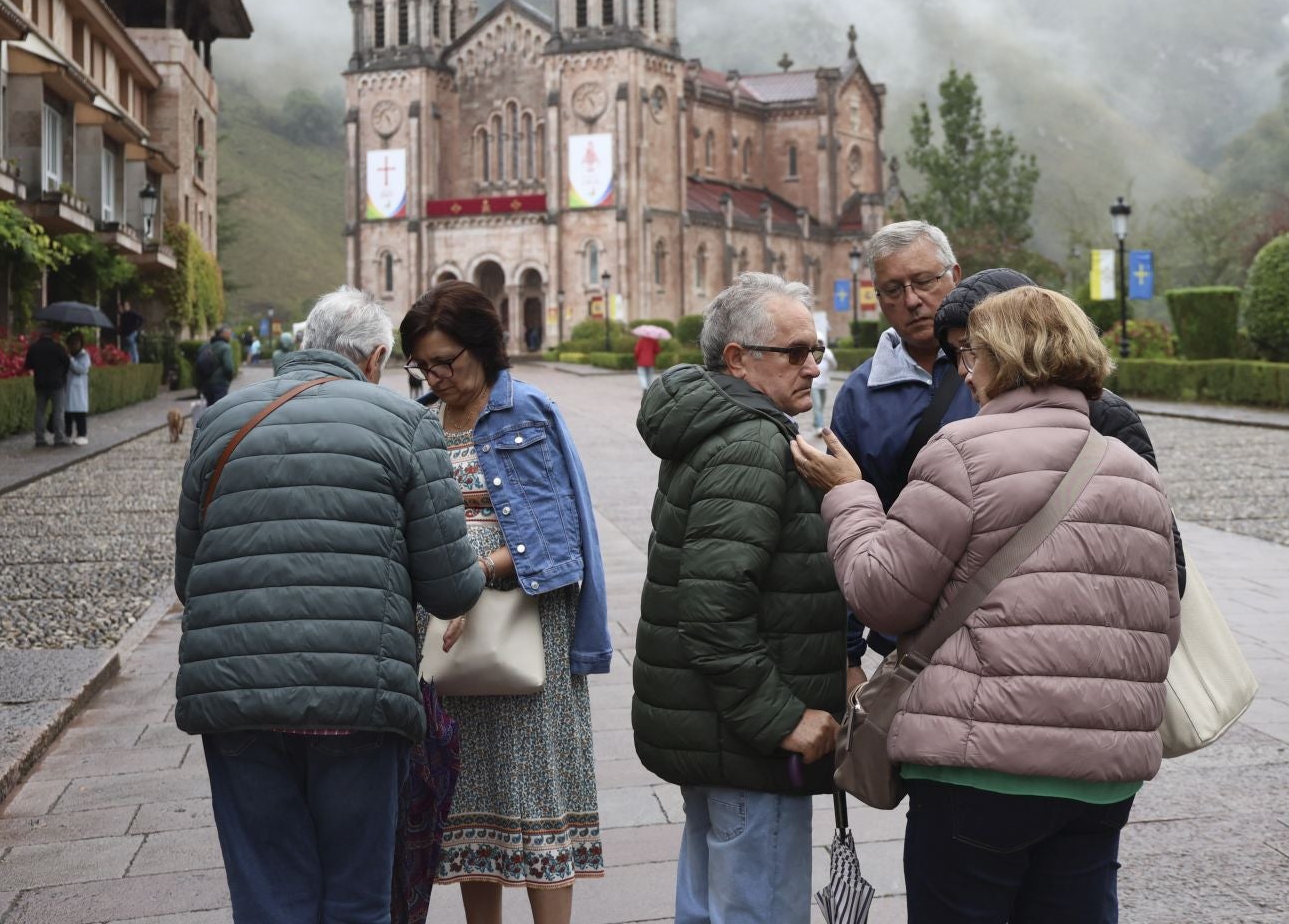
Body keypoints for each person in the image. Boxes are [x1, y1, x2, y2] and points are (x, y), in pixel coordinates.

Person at [793, 287, 1180, 924]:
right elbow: (1163, 623)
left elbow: (883, 595)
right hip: (1104, 775)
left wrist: (851, 497)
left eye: (972, 354)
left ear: (1006, 357)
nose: (965, 371)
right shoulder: (1133, 470)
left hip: (982, 768)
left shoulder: (963, 452)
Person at [175, 286, 485, 924]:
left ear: (303, 345)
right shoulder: (407, 425)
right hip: (357, 700)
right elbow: (452, 588)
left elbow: (189, 578)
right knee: (355, 900)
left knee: (269, 898)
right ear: (374, 358)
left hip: (236, 699)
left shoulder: (219, 423)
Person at [633, 274, 847, 924]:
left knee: (710, 903)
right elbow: (712, 608)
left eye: (815, 349)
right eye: (795, 352)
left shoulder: (719, 428)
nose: (813, 366)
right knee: (758, 907)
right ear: (737, 358)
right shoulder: (754, 445)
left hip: (717, 732)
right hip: (751, 742)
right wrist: (783, 718)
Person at [401, 281, 611, 923]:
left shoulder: (528, 412)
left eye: (447, 360)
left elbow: (561, 542)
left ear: (484, 348)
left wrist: (474, 573)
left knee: (540, 794)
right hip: (445, 630)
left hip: (526, 624)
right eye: (423, 364)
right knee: (468, 801)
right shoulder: (417, 422)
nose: (436, 376)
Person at [934, 267, 1187, 594]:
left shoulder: (1105, 415)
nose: (962, 370)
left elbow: (1165, 559)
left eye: (973, 350)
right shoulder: (974, 423)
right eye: (957, 353)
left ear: (1017, 339)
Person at [828, 221, 972, 687]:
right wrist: (848, 658)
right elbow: (843, 524)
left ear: (955, 274)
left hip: (1007, 616)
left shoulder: (1008, 367)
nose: (911, 300)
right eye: (893, 289)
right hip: (908, 638)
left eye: (925, 281)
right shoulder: (859, 396)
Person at [23, 326, 69, 448]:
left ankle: (40, 438)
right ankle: (59, 439)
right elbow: (67, 363)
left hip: (40, 383)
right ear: (52, 335)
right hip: (56, 384)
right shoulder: (58, 348)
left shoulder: (34, 348)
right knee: (58, 411)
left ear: (40, 335)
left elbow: (28, 365)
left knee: (40, 411)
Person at [62, 332, 92, 446]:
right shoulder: (69, 356)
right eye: (71, 344)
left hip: (79, 389)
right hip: (68, 388)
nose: (73, 346)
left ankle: (82, 435)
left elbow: (80, 369)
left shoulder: (84, 356)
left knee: (80, 414)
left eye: (75, 344)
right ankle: (67, 434)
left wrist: (71, 360)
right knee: (67, 413)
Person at [195, 326, 236, 407]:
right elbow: (229, 367)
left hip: (206, 384)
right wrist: (229, 378)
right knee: (220, 410)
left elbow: (197, 364)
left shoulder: (204, 346)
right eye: (229, 334)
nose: (230, 336)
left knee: (210, 410)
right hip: (220, 384)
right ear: (222, 334)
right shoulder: (226, 347)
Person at [809, 328, 836, 431]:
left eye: (820, 342)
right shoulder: (811, 352)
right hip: (814, 384)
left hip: (824, 384)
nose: (819, 344)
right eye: (817, 342)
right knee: (818, 405)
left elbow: (834, 366)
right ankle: (820, 427)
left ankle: (816, 423)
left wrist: (828, 357)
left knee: (822, 406)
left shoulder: (828, 352)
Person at [118, 300, 144, 364]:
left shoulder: (131, 313)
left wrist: (135, 328)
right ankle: (130, 361)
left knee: (132, 347)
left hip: (131, 333)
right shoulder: (123, 315)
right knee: (127, 348)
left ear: (128, 306)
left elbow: (141, 319)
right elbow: (123, 325)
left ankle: (135, 361)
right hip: (126, 334)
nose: (124, 308)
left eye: (125, 306)